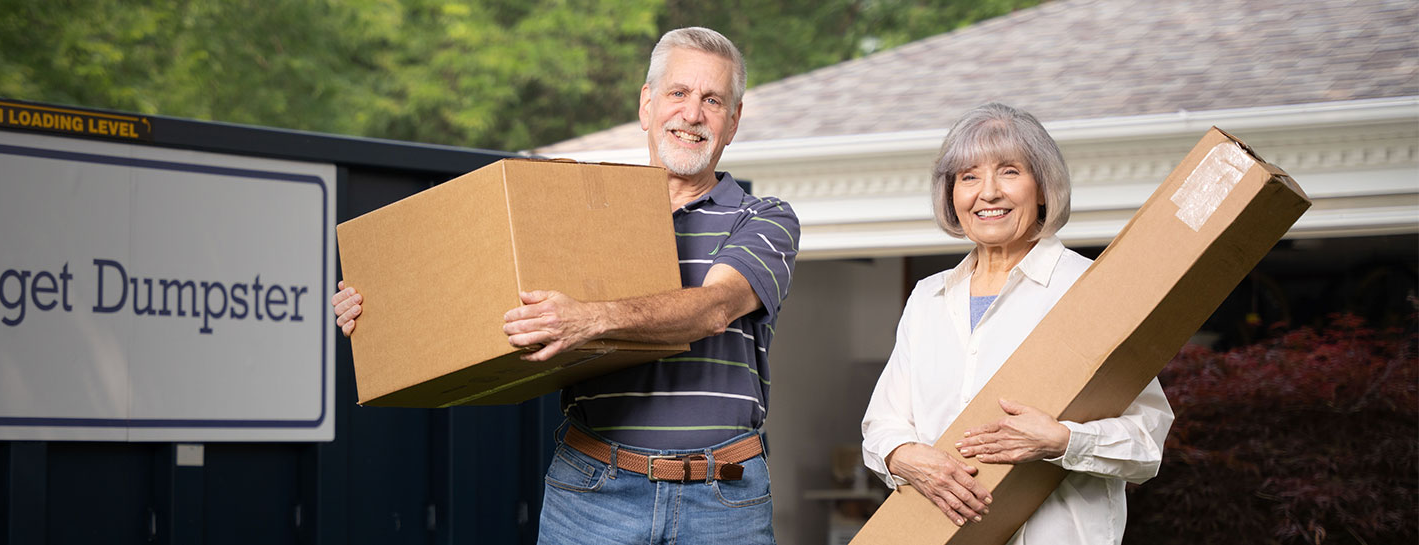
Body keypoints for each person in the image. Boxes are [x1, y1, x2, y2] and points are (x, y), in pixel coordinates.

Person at [332, 27, 797, 544]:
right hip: (594, 494)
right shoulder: (578, 215)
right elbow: (472, 291)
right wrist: (379, 312)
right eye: (678, 93)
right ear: (647, 105)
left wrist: (591, 317)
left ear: (732, 122)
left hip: (723, 500)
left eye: (712, 100)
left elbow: (713, 308)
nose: (692, 114)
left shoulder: (765, 219)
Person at [859, 103, 1174, 544]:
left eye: (1008, 171)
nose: (987, 193)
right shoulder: (928, 299)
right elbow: (882, 424)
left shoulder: (1090, 290)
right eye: (968, 177)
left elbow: (1147, 442)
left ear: (1043, 187)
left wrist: (1062, 441)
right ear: (952, 195)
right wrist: (905, 456)